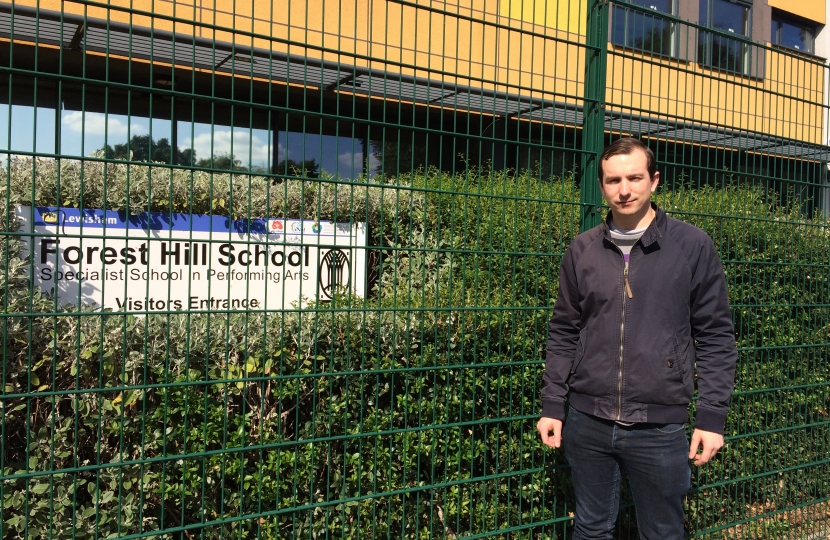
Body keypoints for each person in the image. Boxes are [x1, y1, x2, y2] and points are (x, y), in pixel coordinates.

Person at [537, 138, 737, 539]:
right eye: (613, 180)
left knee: (663, 533)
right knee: (591, 528)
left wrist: (711, 419)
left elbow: (716, 336)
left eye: (634, 177)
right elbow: (563, 331)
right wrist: (553, 405)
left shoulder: (692, 246)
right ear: (602, 186)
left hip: (659, 427)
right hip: (587, 421)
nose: (624, 190)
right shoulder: (582, 250)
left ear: (654, 180)